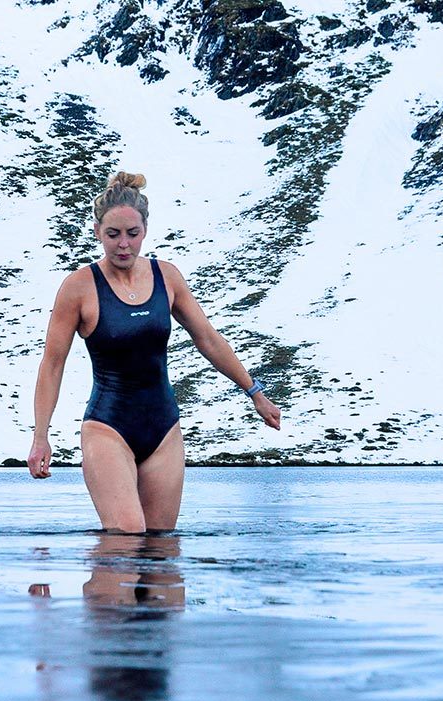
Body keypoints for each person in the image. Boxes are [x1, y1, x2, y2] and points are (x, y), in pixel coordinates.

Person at [27, 171, 281, 532]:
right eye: (113, 235)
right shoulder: (79, 288)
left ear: (145, 229)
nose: (124, 245)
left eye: (133, 234)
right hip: (107, 427)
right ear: (97, 231)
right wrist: (41, 437)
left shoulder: (168, 277)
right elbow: (52, 365)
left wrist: (255, 392)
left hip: (164, 429)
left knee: (161, 551)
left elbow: (207, 338)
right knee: (127, 538)